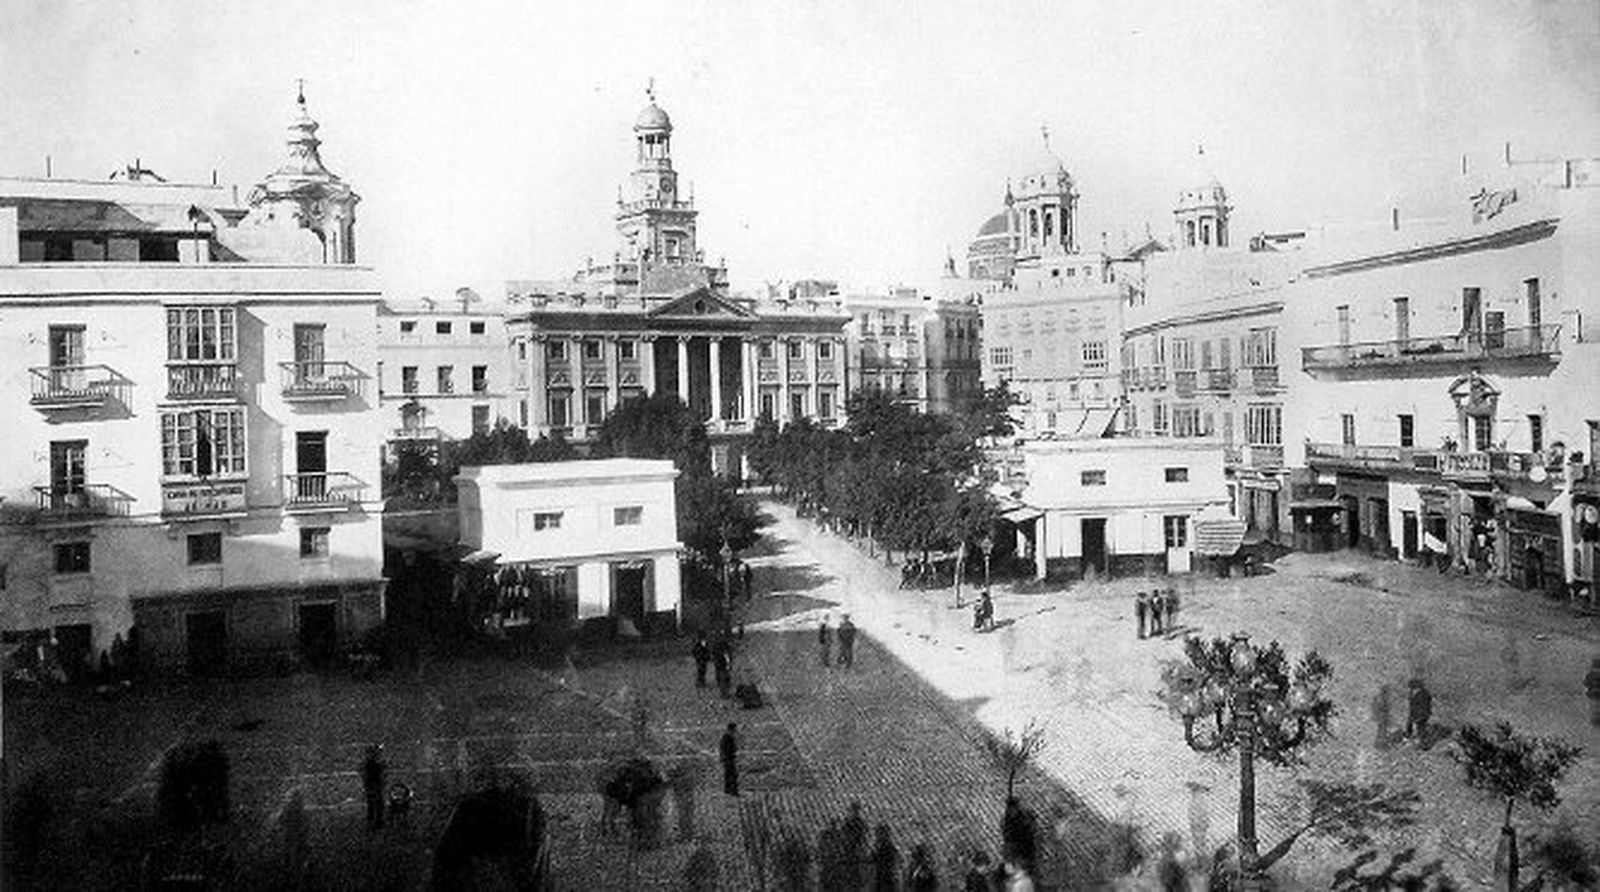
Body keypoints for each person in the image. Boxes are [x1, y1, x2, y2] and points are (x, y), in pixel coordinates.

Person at [362, 744, 387, 830]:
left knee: (372, 804)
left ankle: (372, 822)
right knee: (377, 804)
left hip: (371, 786)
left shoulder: (369, 764)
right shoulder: (372, 765)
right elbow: (378, 772)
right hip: (374, 785)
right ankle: (376, 822)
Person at [1406, 678, 1433, 745]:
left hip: (1421, 714)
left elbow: (1424, 706)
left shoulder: (1423, 694)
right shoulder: (1415, 693)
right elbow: (1412, 704)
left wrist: (1418, 717)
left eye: (1412, 688)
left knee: (1420, 729)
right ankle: (1413, 740)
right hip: (1415, 713)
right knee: (1411, 726)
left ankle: (1423, 743)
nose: (1411, 690)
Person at [719, 722, 739, 796]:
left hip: (727, 759)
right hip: (728, 759)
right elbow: (727, 749)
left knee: (728, 774)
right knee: (732, 775)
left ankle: (728, 789)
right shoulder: (727, 738)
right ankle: (733, 791)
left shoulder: (726, 737)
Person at [1371, 683, 1394, 749]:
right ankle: (1381, 745)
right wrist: (1387, 708)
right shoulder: (1381, 698)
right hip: (1382, 717)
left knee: (1382, 730)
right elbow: (1382, 707)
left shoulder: (1379, 697)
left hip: (1381, 716)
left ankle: (1381, 744)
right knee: (1382, 730)